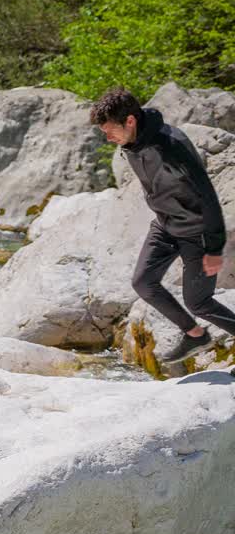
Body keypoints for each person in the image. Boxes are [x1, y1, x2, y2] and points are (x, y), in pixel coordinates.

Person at [91, 87, 235, 363]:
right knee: (143, 282)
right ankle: (195, 335)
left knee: (199, 303)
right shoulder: (130, 144)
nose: (107, 138)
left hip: (197, 232)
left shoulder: (172, 145)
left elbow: (206, 194)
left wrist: (215, 247)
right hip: (165, 225)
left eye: (110, 131)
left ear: (130, 121)